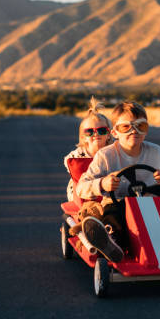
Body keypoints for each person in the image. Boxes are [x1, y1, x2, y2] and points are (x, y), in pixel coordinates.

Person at [76, 101, 160, 263]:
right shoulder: (105, 156)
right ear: (114, 132)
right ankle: (111, 244)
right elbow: (81, 188)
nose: (134, 131)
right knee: (114, 220)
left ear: (146, 130)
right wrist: (102, 184)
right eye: (126, 127)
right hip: (117, 203)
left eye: (140, 126)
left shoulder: (158, 153)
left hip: (151, 205)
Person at [63, 97, 114, 235]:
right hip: (84, 195)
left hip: (111, 193)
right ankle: (92, 232)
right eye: (89, 132)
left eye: (102, 130)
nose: (96, 134)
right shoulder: (77, 156)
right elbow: (71, 165)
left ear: (109, 134)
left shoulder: (114, 152)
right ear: (83, 136)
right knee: (91, 208)